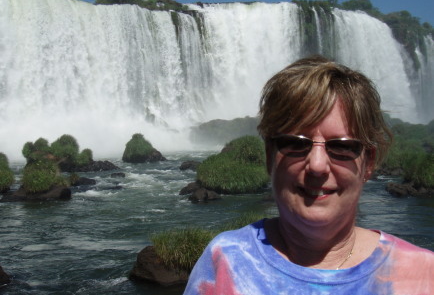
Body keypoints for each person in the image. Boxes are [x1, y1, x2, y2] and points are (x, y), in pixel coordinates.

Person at [183, 55, 433, 295]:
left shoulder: (424, 274)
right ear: (270, 156)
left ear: (368, 162)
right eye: (295, 143)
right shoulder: (224, 260)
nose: (317, 165)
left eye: (342, 146)